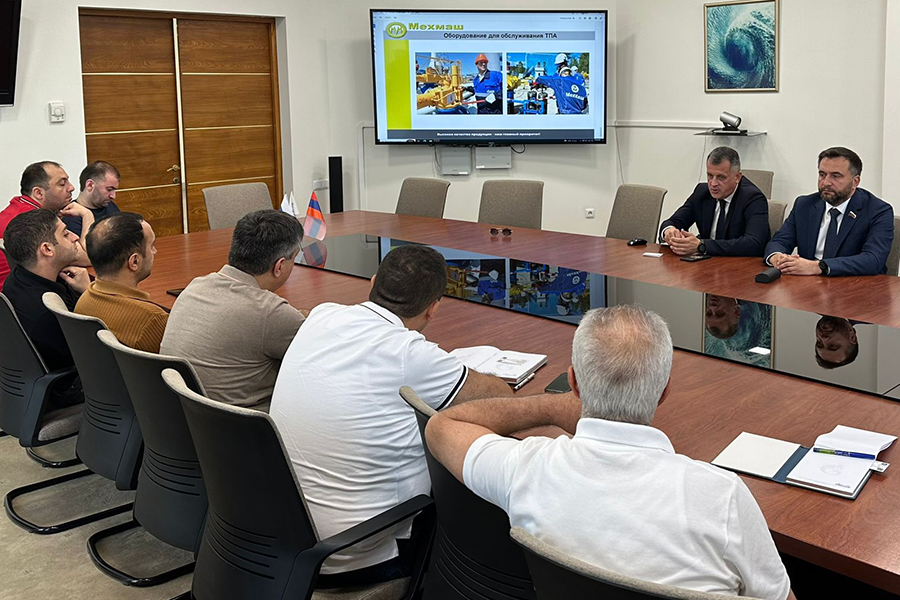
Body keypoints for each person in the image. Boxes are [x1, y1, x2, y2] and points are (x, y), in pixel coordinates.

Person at [425, 305, 795, 599]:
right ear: (664, 391)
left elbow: (441, 426)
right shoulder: (721, 497)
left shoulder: (527, 468)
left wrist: (550, 407)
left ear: (573, 383)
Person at [269, 244, 512, 587]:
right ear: (433, 309)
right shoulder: (411, 355)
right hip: (355, 555)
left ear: (372, 283)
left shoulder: (321, 315)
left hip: (279, 536)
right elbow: (500, 397)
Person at [161, 209, 306, 410]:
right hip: (246, 425)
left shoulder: (195, 287)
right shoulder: (270, 312)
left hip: (186, 418)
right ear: (279, 266)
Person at [2, 209, 90, 407]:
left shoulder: (19, 278)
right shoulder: (48, 312)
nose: (75, 237)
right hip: (66, 386)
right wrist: (88, 293)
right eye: (66, 234)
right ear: (47, 249)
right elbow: (96, 352)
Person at [765, 147, 893, 276]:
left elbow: (873, 259)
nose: (826, 182)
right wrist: (777, 257)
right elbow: (779, 241)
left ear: (855, 182)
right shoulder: (804, 205)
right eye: (822, 175)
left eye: (835, 176)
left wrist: (818, 266)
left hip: (855, 282)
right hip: (808, 282)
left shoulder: (878, 211)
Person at [75, 213, 168, 353]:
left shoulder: (84, 299)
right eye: (152, 246)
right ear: (134, 261)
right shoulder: (152, 320)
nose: (155, 251)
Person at [660, 147, 769, 257]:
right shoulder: (702, 192)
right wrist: (669, 231)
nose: (713, 183)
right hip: (707, 262)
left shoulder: (753, 198)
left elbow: (753, 244)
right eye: (710, 176)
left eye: (721, 177)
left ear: (737, 177)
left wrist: (702, 246)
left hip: (739, 263)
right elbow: (673, 221)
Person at [0, 161, 93, 288]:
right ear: (38, 193)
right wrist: (87, 215)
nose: (71, 187)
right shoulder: (34, 222)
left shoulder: (16, 207)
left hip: (13, 289)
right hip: (24, 291)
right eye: (62, 184)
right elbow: (90, 257)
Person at [62, 161, 121, 237]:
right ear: (90, 185)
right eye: (109, 189)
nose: (113, 196)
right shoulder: (71, 217)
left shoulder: (110, 206)